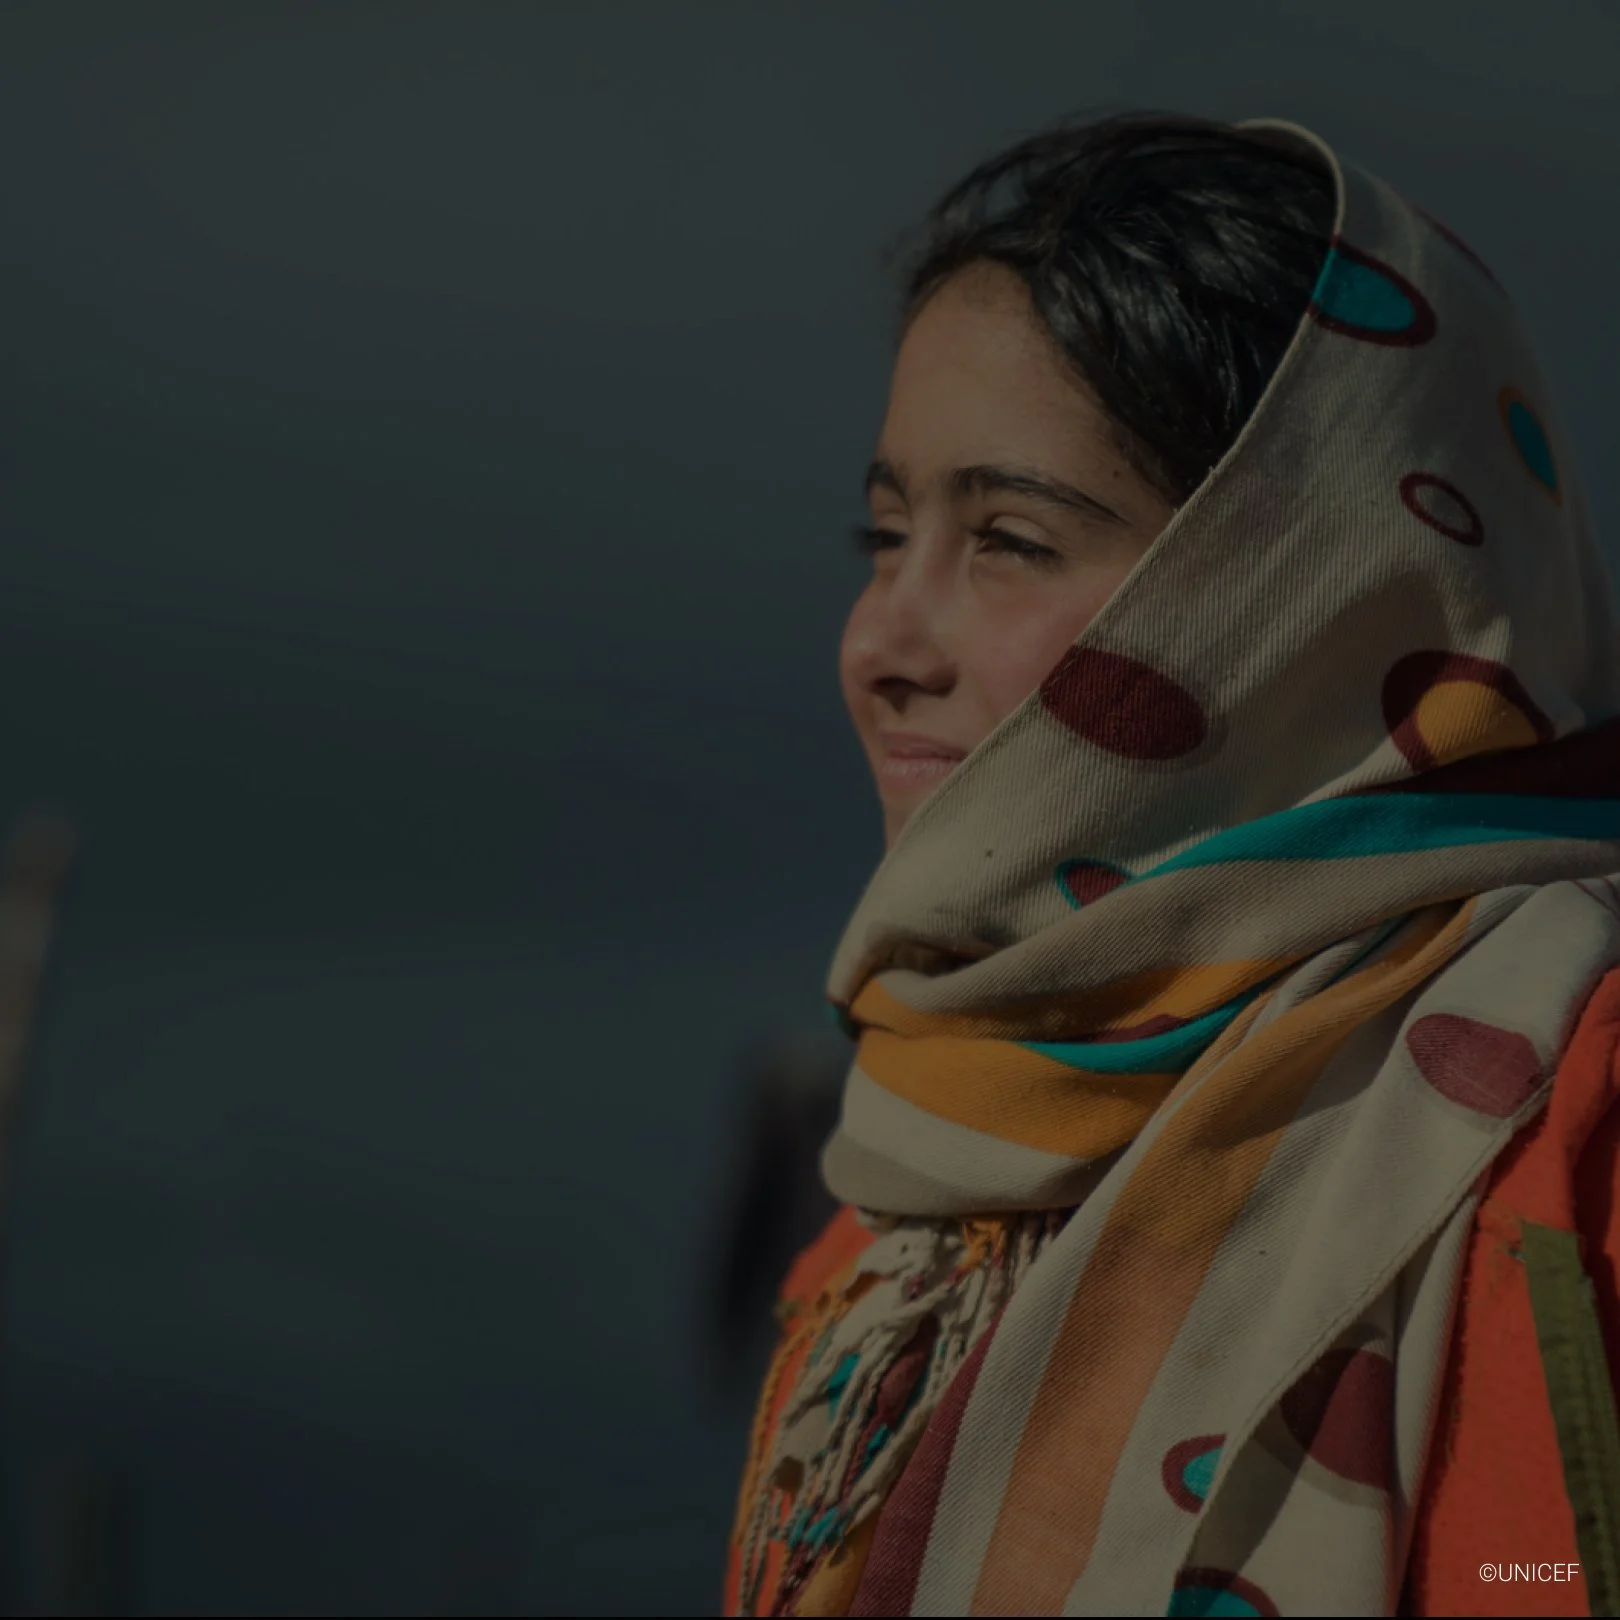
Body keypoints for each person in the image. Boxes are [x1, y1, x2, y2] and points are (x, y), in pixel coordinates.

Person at [721, 111, 1620, 1618]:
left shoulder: (1569, 1108)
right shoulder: (906, 1189)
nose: (882, 645)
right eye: (882, 537)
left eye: (1008, 538)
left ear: (1296, 599)